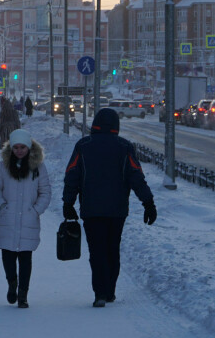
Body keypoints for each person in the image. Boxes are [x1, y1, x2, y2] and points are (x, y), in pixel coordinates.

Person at [62, 108, 157, 308]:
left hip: (91, 209)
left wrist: (68, 202)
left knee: (97, 251)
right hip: (117, 210)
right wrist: (148, 203)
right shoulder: (124, 147)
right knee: (112, 249)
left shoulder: (83, 146)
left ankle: (100, 293)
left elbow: (72, 175)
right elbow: (136, 177)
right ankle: (110, 290)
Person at [0, 129, 51, 308]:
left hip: (28, 219)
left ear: (29, 147)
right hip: (7, 218)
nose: (19, 150)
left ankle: (23, 294)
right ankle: (12, 284)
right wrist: (2, 205)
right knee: (7, 255)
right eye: (15, 147)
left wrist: (36, 210)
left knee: (25, 258)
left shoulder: (38, 167)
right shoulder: (3, 166)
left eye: (22, 147)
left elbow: (45, 191)